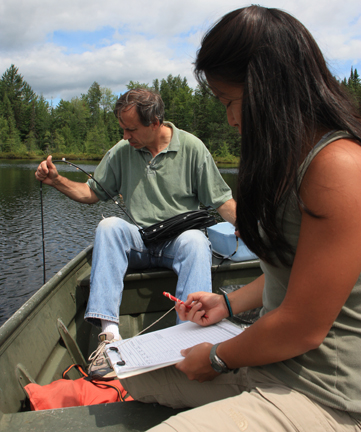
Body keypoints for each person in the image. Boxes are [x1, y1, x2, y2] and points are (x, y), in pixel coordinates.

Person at [119, 6, 361, 431]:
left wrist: (216, 357)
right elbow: (294, 273)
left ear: (270, 88)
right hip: (272, 363)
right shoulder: (292, 161)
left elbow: (303, 326)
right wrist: (227, 303)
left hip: (325, 393)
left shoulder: (339, 167)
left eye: (229, 100)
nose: (230, 118)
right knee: (138, 381)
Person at [35, 88, 236, 379]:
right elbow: (91, 193)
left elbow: (221, 200)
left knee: (196, 240)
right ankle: (110, 339)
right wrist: (57, 181)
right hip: (139, 241)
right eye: (123, 129)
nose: (126, 136)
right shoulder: (122, 151)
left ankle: (187, 337)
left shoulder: (192, 148)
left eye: (131, 129)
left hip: (178, 242)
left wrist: (249, 227)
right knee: (108, 226)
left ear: (155, 122)